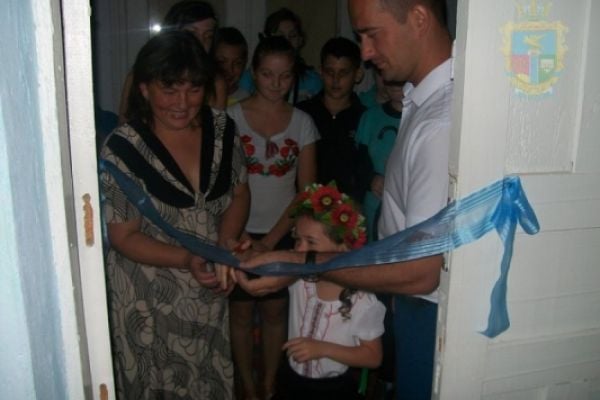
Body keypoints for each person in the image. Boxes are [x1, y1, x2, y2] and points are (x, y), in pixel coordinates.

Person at [236, 1, 453, 399]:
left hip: (424, 308)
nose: (366, 53)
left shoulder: (440, 120)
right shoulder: (422, 103)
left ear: (419, 19)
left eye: (372, 34)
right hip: (408, 303)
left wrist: (300, 263)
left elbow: (423, 272)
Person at [100, 30, 249, 399]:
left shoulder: (222, 130)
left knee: (206, 377)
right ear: (144, 88)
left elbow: (239, 194)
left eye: (194, 89)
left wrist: (224, 244)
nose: (182, 103)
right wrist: (188, 258)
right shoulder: (123, 148)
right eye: (169, 89)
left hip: (207, 289)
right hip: (147, 299)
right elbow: (123, 236)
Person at [227, 36, 319, 400]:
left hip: (282, 232)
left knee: (275, 312)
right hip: (237, 230)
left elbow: (306, 191)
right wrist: (240, 235)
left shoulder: (303, 122)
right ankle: (247, 387)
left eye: (284, 76)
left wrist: (271, 241)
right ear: (254, 73)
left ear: (294, 76)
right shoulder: (231, 118)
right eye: (267, 74)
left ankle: (269, 385)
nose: (276, 83)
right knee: (239, 313)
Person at [271, 182, 384, 400]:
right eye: (297, 240)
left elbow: (373, 357)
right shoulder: (297, 279)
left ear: (344, 248)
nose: (300, 250)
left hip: (333, 389)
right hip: (291, 381)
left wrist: (323, 349)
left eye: (311, 242)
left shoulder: (362, 299)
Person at [118, 1, 226, 123]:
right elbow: (125, 122)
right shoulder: (141, 75)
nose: (200, 42)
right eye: (191, 34)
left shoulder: (216, 82)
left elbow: (218, 129)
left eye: (208, 36)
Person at [296, 37, 367, 202]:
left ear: (357, 75)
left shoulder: (365, 117)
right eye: (330, 72)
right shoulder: (303, 113)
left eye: (343, 73)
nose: (336, 80)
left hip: (350, 208)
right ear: (321, 71)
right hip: (306, 204)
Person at [239, 7, 322, 104]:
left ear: (300, 40)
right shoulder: (248, 79)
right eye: (280, 36)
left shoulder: (313, 80)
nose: (286, 41)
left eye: (292, 36)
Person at [356, 73, 404, 241]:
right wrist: (371, 179)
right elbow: (359, 161)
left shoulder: (424, 118)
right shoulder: (370, 117)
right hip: (374, 202)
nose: (395, 83)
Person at [213, 27, 250, 106]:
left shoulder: (246, 100)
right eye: (221, 62)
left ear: (244, 64)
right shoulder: (199, 97)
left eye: (237, 63)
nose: (229, 70)